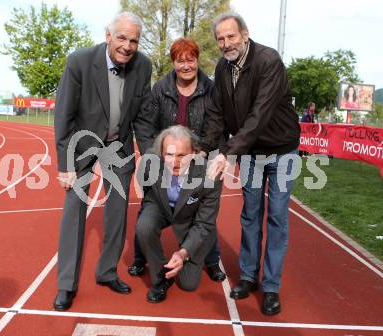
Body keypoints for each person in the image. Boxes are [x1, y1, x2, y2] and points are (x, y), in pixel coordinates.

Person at [201, 12, 301, 316]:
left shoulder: (269, 61)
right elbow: (217, 111)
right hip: (250, 152)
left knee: (277, 217)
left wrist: (228, 153)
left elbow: (258, 116)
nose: (225, 43)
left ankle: (270, 287)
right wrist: (205, 148)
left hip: (281, 150)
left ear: (245, 34)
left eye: (231, 36)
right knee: (250, 215)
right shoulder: (222, 67)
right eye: (220, 38)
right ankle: (247, 276)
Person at [53, 12, 154, 311]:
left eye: (133, 40)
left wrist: (148, 157)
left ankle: (107, 271)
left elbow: (144, 117)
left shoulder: (143, 65)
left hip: (118, 146)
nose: (127, 45)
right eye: (121, 37)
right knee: (74, 212)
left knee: (117, 214)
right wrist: (65, 164)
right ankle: (66, 284)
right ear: (108, 35)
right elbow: (64, 115)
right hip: (82, 145)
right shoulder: (80, 61)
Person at [128, 37, 226, 282]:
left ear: (197, 60)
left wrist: (201, 152)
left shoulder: (210, 88)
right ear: (173, 62)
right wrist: (153, 155)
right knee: (149, 204)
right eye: (180, 61)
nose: (186, 66)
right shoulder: (161, 88)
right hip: (167, 157)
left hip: (199, 154)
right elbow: (149, 123)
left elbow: (216, 125)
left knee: (204, 213)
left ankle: (211, 260)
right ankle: (141, 258)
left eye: (190, 60)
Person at [136, 125, 222, 303]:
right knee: (144, 226)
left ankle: (201, 254)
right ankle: (161, 277)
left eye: (182, 155)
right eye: (169, 154)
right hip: (162, 206)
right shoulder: (150, 164)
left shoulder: (210, 175)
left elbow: (204, 223)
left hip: (192, 218)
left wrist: (184, 253)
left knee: (188, 284)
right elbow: (148, 194)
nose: (175, 162)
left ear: (195, 153)